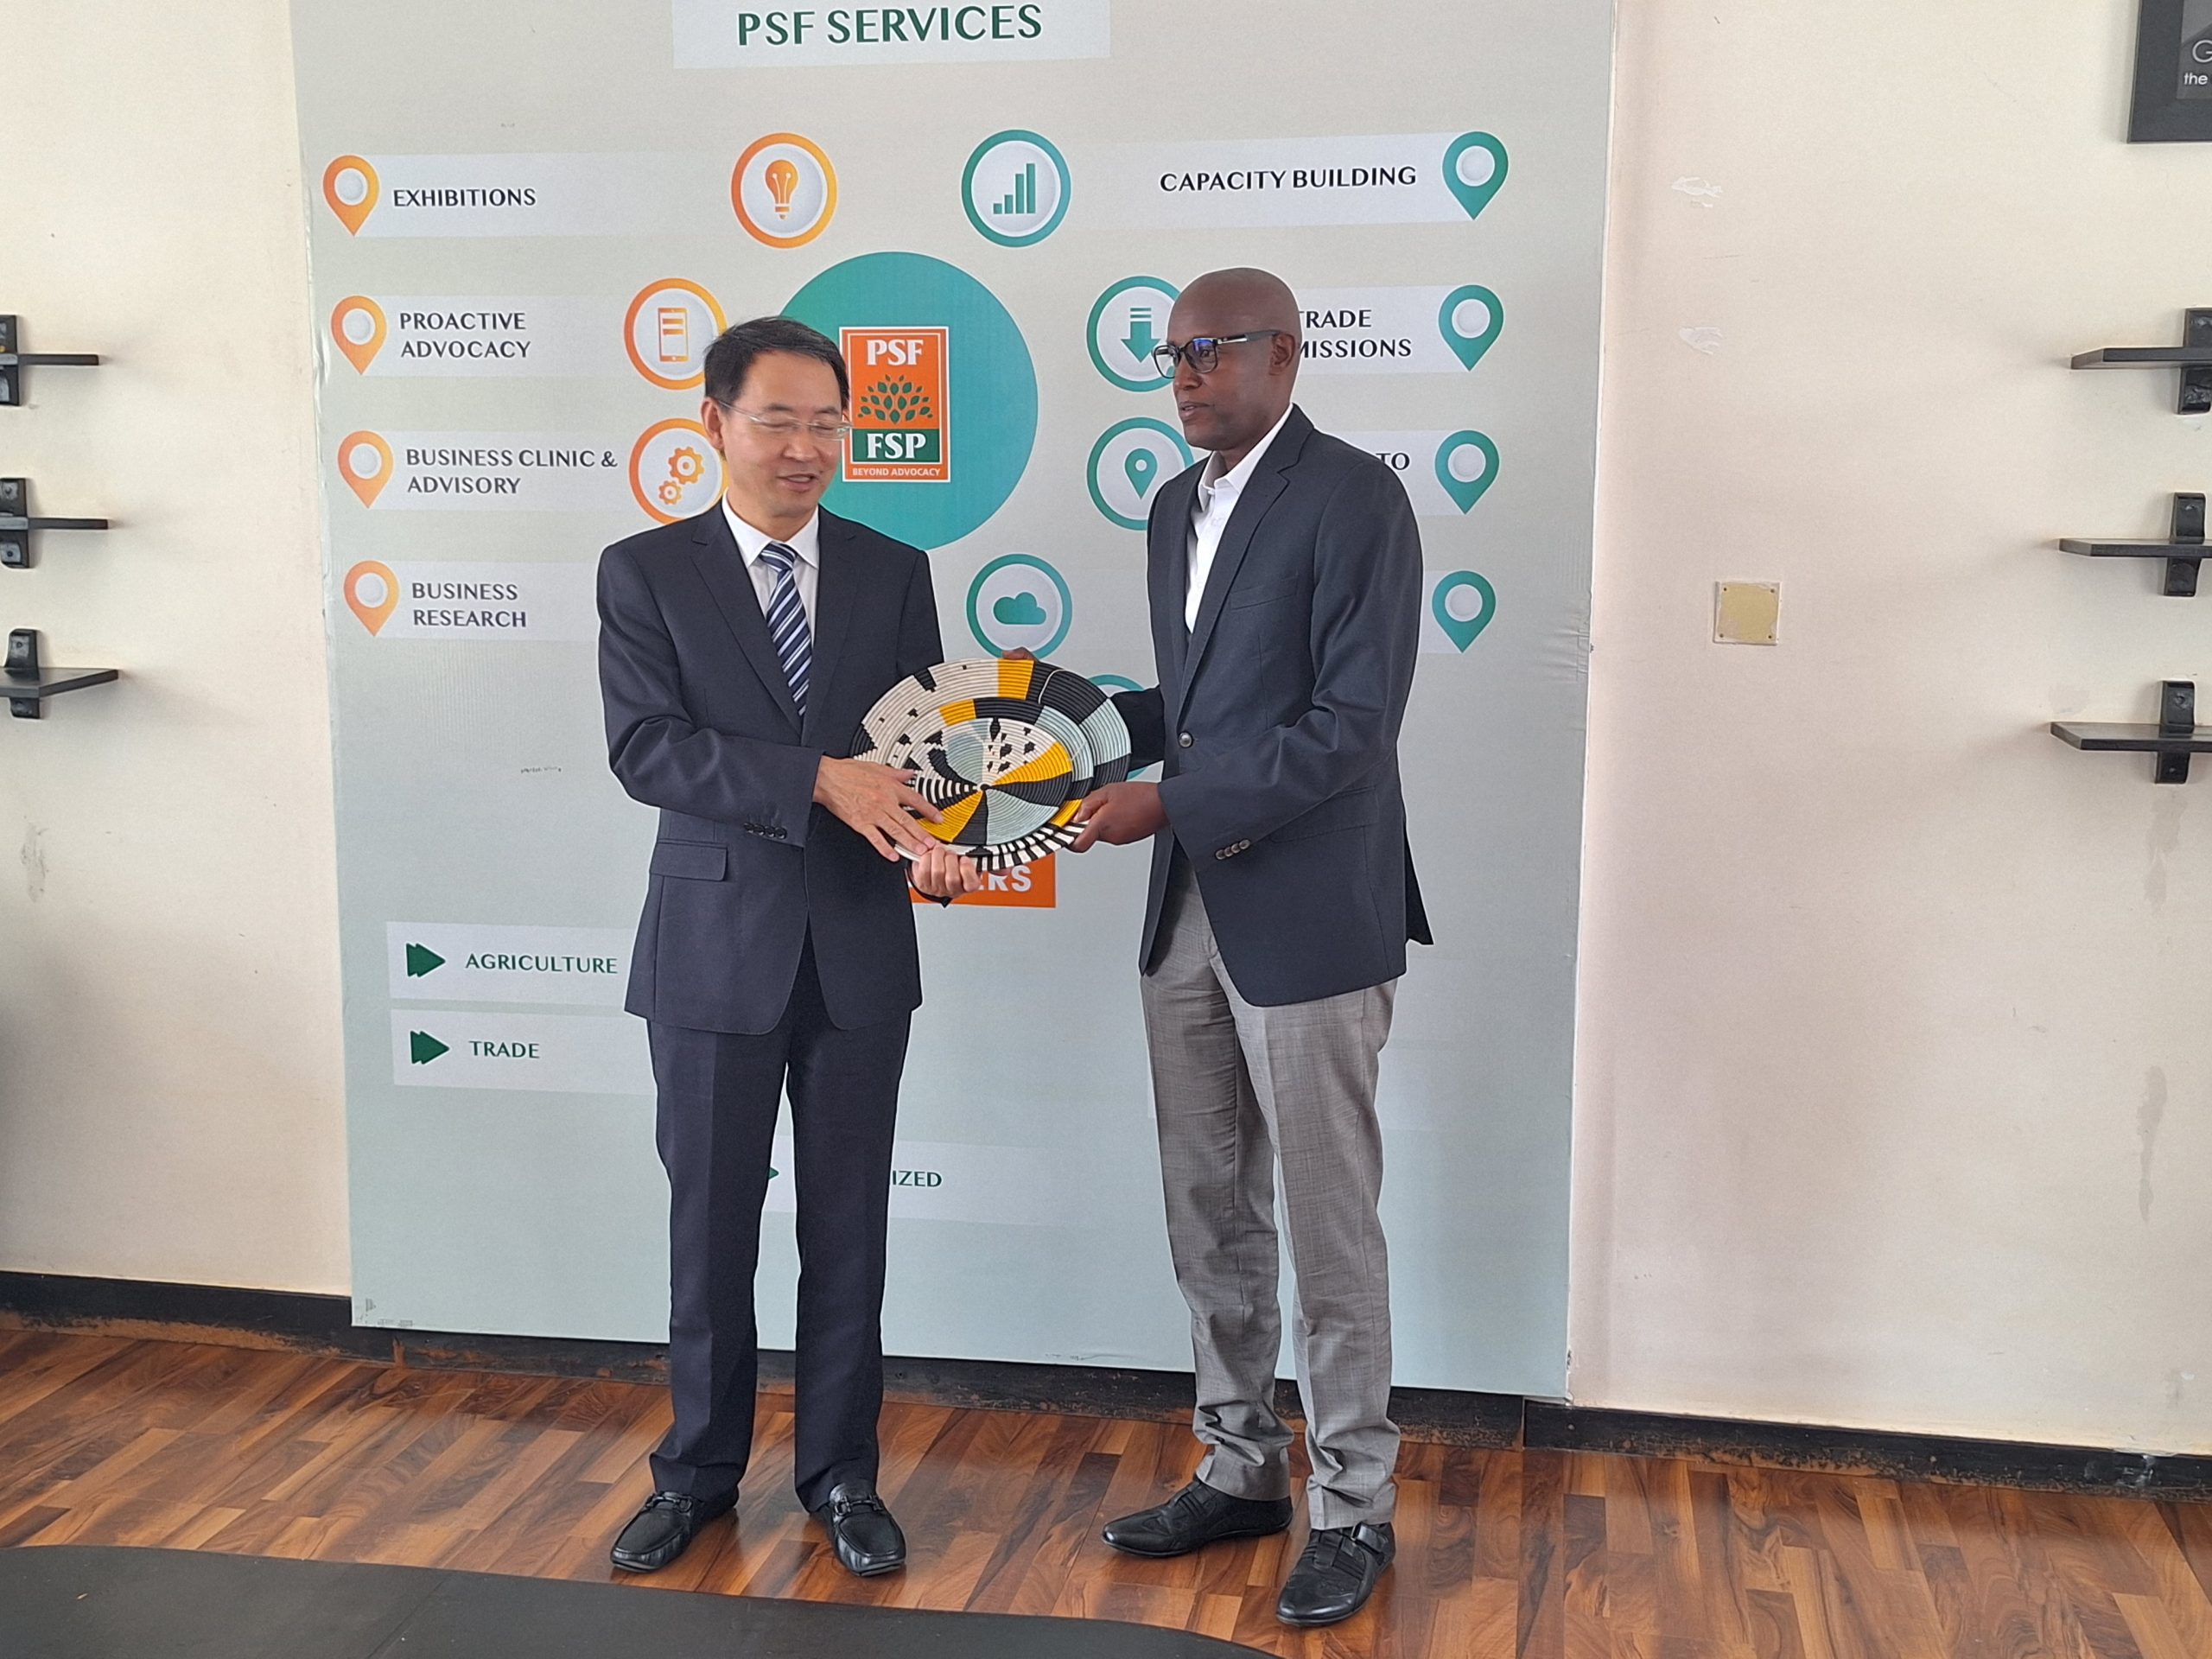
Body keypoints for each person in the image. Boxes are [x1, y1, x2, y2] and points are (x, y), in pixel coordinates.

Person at [1072, 268, 1430, 1627]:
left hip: (1312, 912)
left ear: (1285, 353)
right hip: (1187, 913)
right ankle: (1239, 1468)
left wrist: (1169, 800)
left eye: (1209, 350)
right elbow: (1198, 702)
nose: (1183, 375)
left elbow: (1351, 725)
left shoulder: (1355, 499)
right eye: (1169, 354)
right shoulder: (1175, 507)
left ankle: (1355, 1506)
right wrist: (1065, 730)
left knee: (1329, 1226)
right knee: (1209, 1210)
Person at [595, 315, 979, 1578]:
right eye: (777, 421)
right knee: (709, 1230)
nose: (805, 447)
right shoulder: (646, 572)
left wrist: (939, 839)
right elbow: (647, 749)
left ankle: (842, 1477)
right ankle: (696, 1476)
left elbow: (920, 750)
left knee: (849, 1230)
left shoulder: (893, 568)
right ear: (715, 423)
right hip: (712, 949)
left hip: (859, 946)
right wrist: (816, 777)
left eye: (827, 423)